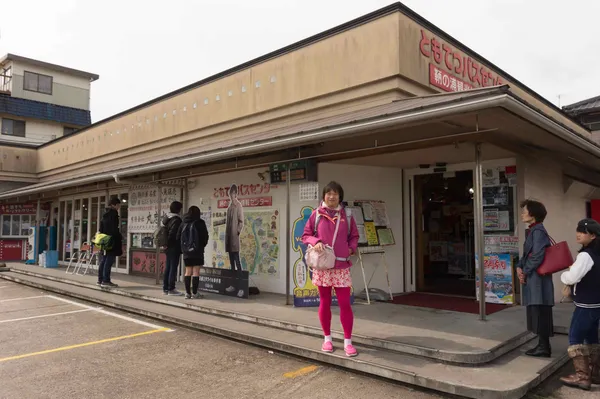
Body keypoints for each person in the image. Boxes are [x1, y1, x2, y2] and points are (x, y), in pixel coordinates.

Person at [302, 181, 359, 357]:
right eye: (328, 193)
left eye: (335, 193)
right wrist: (315, 242)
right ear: (324, 196)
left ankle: (348, 342)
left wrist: (351, 249)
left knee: (344, 304)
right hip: (323, 266)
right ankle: (327, 339)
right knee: (324, 302)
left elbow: (354, 236)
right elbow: (306, 235)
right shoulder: (316, 214)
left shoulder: (347, 215)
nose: (332, 196)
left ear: (340, 196)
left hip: (341, 265)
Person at [559, 218, 600, 390]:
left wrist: (565, 277)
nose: (578, 234)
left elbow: (572, 277)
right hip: (597, 303)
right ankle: (595, 373)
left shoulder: (585, 255)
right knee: (591, 338)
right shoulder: (597, 253)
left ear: (593, 236)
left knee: (575, 337)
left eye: (583, 232)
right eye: (578, 230)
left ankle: (582, 377)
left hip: (585, 304)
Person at [516, 199, 554, 357]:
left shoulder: (537, 231)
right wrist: (520, 266)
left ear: (533, 214)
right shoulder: (534, 230)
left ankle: (543, 347)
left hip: (538, 279)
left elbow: (537, 256)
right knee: (538, 310)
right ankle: (542, 345)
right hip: (535, 278)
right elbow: (528, 255)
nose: (523, 213)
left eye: (525, 211)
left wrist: (524, 271)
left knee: (540, 310)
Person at [177, 206, 209, 299]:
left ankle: (187, 293)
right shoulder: (200, 222)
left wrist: (184, 247)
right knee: (196, 272)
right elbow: (205, 237)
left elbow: (178, 236)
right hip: (197, 251)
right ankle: (195, 293)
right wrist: (201, 246)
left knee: (188, 271)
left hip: (187, 252)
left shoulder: (183, 222)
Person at [224, 184, 245, 298]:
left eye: (233, 193)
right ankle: (233, 285)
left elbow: (241, 221)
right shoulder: (229, 207)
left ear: (235, 194)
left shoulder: (238, 206)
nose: (231, 196)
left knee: (237, 263)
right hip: (229, 238)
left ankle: (241, 287)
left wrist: (237, 232)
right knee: (232, 264)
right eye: (230, 194)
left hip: (234, 239)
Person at [97, 197, 122, 288]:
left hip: (104, 240)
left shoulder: (104, 214)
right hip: (111, 240)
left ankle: (100, 279)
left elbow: (100, 229)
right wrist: (118, 237)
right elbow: (114, 229)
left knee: (104, 260)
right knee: (109, 260)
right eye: (118, 205)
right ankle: (106, 280)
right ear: (114, 205)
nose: (119, 207)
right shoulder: (114, 214)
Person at [161, 201, 183, 296]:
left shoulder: (166, 218)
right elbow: (173, 234)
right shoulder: (176, 220)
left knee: (168, 267)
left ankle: (165, 288)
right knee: (173, 267)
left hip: (166, 246)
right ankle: (171, 288)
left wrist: (165, 244)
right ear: (178, 209)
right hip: (173, 246)